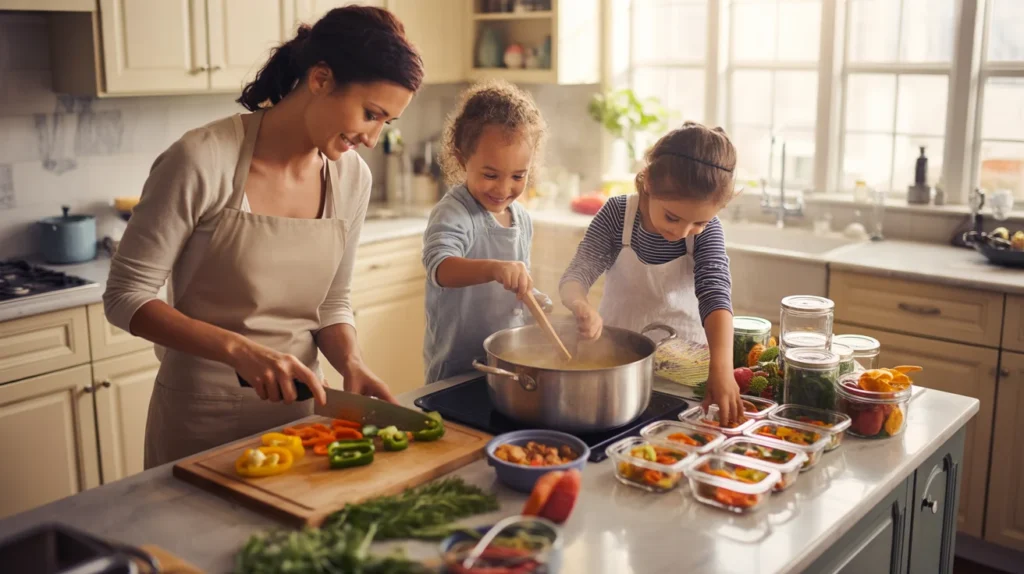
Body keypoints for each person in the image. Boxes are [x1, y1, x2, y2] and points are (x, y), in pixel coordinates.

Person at [103, 6, 423, 468]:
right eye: (370, 114)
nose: (373, 138)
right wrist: (240, 351)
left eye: (385, 123)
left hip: (302, 418)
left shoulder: (352, 177)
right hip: (200, 417)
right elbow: (125, 297)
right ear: (320, 80)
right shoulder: (202, 159)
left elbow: (332, 301)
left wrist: (350, 363)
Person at [558, 122, 745, 423]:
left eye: (698, 223)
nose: (682, 231)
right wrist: (579, 304)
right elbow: (576, 275)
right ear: (648, 183)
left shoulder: (709, 232)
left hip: (687, 376)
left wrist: (721, 370)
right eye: (672, 217)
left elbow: (715, 295)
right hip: (618, 368)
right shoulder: (618, 215)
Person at [421, 80, 552, 384]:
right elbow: (440, 268)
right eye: (491, 175)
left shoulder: (521, 218)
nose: (505, 188)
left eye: (519, 176)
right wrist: (495, 269)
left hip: (505, 367)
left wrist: (536, 301)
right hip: (455, 373)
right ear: (461, 158)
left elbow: (517, 285)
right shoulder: (455, 212)